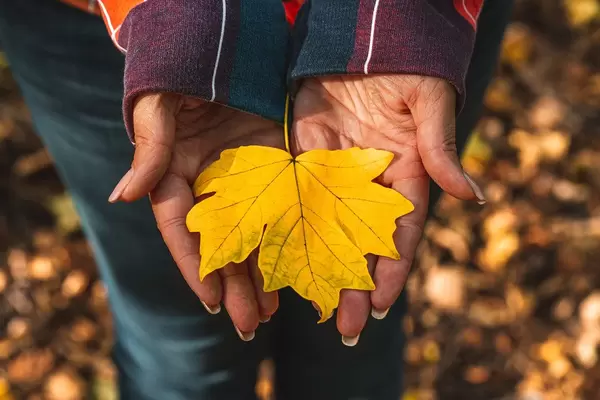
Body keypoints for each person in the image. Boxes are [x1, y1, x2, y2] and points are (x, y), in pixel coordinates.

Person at [0, 0, 514, 398]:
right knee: (181, 342)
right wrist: (186, 22)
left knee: (350, 338)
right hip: (116, 20)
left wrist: (391, 22)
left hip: (413, 30)